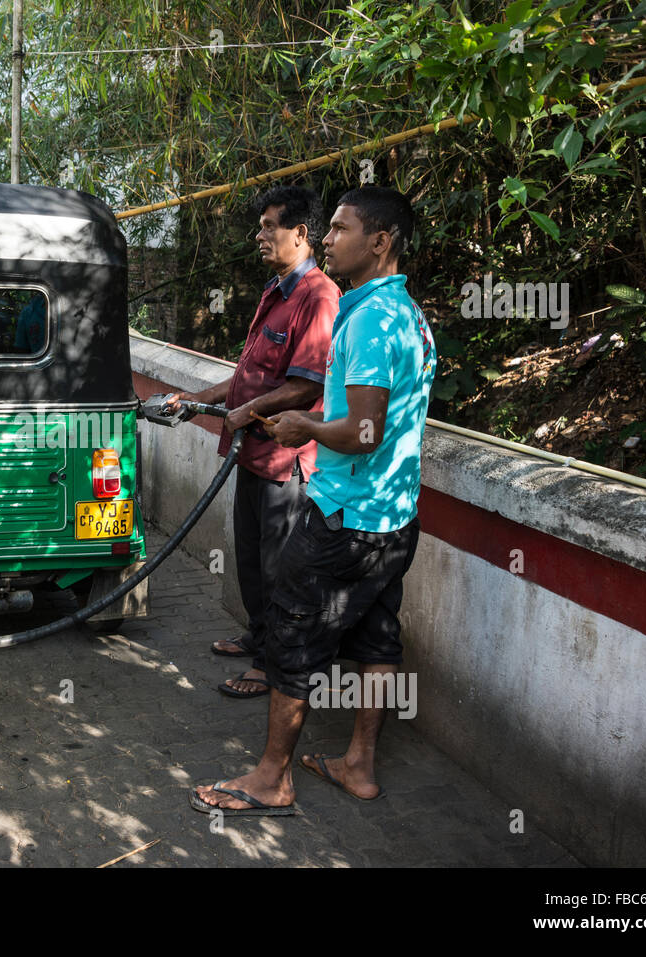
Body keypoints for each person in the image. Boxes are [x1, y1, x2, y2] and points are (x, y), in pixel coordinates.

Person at [191, 186, 437, 816]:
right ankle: (359, 765)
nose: (327, 240)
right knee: (379, 642)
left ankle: (271, 779)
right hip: (395, 518)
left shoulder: (370, 320)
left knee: (293, 640)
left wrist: (305, 429)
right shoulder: (408, 312)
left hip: (343, 517)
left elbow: (362, 431)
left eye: (340, 229)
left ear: (378, 241)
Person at [166, 185, 338, 698]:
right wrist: (195, 398)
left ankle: (271, 664)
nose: (260, 235)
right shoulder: (277, 290)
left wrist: (245, 413)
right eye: (260, 226)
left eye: (270, 227)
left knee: (277, 567)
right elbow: (250, 375)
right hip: (250, 453)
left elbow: (307, 385)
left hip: (286, 459)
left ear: (301, 234)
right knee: (249, 558)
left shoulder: (318, 296)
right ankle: (258, 636)